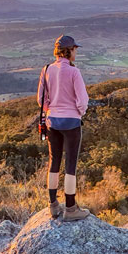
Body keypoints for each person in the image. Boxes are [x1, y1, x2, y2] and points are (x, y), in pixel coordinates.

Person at [37, 34, 90, 222]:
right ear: (69, 51)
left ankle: (53, 205)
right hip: (71, 122)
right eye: (75, 49)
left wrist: (51, 111)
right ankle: (70, 208)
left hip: (52, 122)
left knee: (54, 162)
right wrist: (78, 113)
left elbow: (40, 99)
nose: (76, 52)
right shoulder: (74, 72)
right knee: (70, 166)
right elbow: (83, 100)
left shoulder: (46, 69)